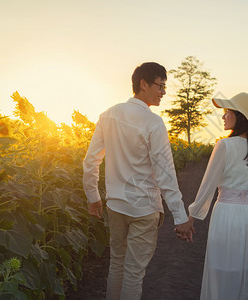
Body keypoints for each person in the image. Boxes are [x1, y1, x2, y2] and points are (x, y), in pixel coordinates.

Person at [83, 62, 193, 300]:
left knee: (116, 265)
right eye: (160, 86)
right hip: (143, 208)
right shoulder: (153, 123)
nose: (164, 92)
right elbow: (165, 174)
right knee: (133, 273)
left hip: (115, 206)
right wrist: (181, 217)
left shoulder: (107, 115)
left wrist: (93, 197)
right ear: (143, 84)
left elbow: (91, 161)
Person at [186, 92, 248, 300]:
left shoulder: (224, 146)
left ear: (240, 117)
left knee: (223, 269)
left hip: (227, 213)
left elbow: (207, 186)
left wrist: (191, 219)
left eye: (227, 112)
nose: (223, 117)